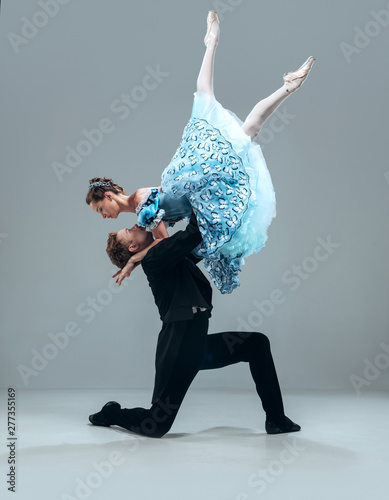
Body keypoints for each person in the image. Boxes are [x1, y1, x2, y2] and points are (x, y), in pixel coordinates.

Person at [86, 11, 315, 293]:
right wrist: (134, 257)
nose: (103, 215)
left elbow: (164, 244)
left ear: (109, 196)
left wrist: (133, 260)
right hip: (201, 183)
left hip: (200, 176)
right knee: (230, 118)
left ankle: (267, 74)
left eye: (100, 208)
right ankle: (239, 58)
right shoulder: (140, 210)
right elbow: (162, 243)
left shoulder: (143, 207)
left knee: (232, 121)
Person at [88, 215, 301, 438]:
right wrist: (197, 194)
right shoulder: (155, 258)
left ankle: (277, 420)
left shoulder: (168, 255)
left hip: (196, 345)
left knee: (257, 344)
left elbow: (201, 242)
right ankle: (112, 413)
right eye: (129, 230)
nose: (135, 225)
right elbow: (194, 233)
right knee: (156, 424)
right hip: (178, 348)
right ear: (133, 246)